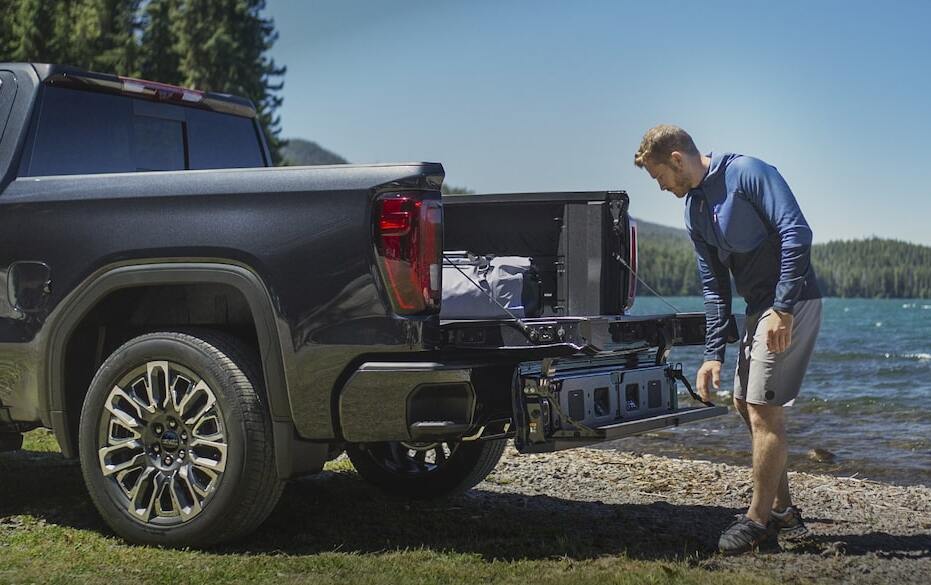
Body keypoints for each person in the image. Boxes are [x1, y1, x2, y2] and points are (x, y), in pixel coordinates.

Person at [634, 125, 822, 555]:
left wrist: (784, 308)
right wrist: (712, 354)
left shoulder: (748, 173)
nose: (661, 187)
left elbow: (796, 232)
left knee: (763, 408)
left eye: (660, 176)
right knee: (743, 402)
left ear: (677, 159)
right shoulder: (694, 210)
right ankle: (783, 512)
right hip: (759, 309)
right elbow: (715, 287)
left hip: (793, 302)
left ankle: (756, 521)